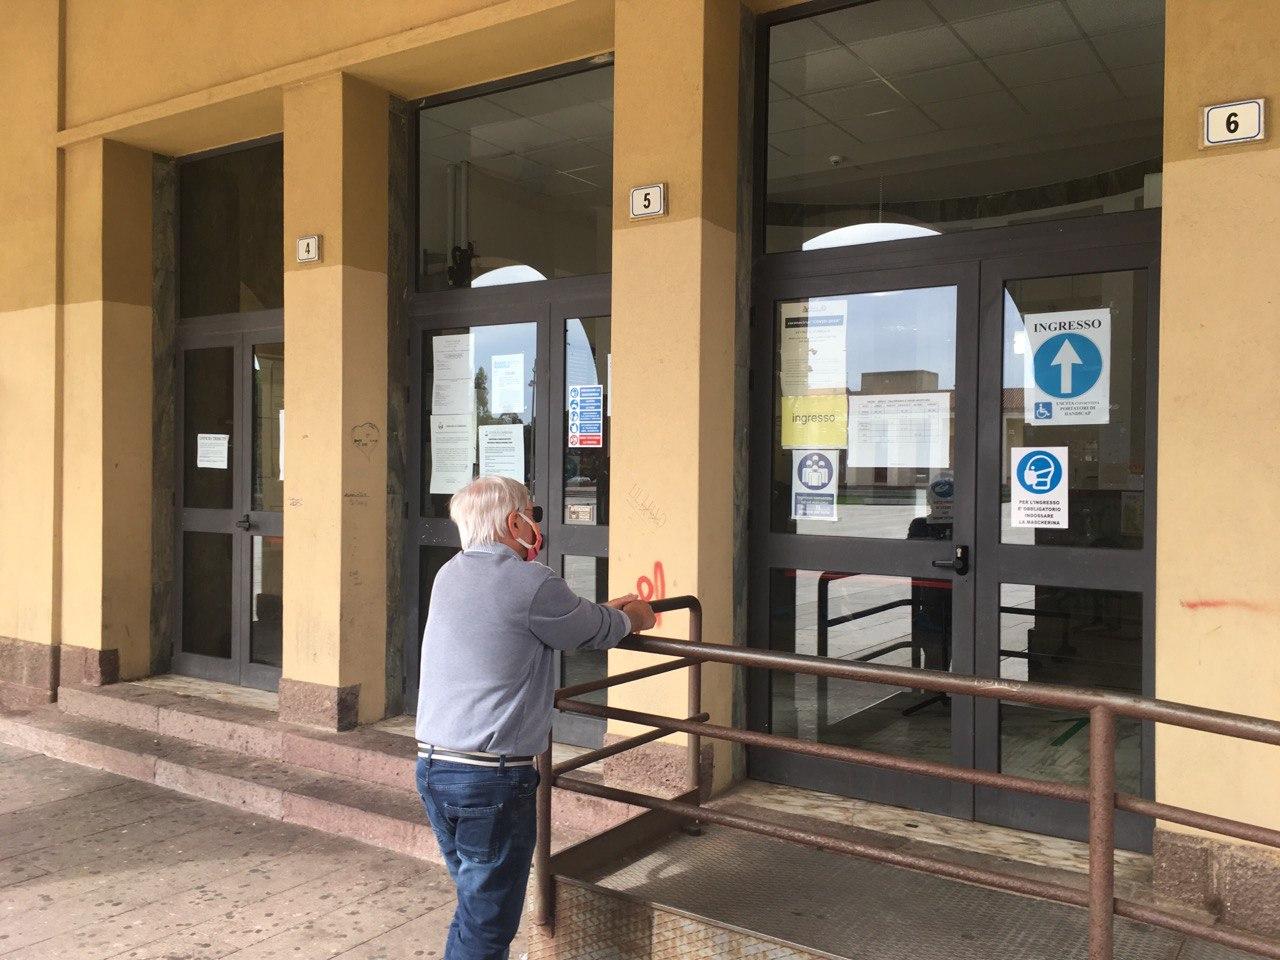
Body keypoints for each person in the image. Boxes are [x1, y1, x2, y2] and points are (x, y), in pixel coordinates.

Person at [415, 475, 656, 960]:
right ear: (514, 522)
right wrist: (636, 617)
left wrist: (592, 613)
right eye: (534, 514)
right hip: (490, 781)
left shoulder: (449, 574)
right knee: (488, 925)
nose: (536, 524)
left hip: (435, 768)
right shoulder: (531, 582)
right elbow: (593, 628)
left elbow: (552, 620)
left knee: (475, 907)